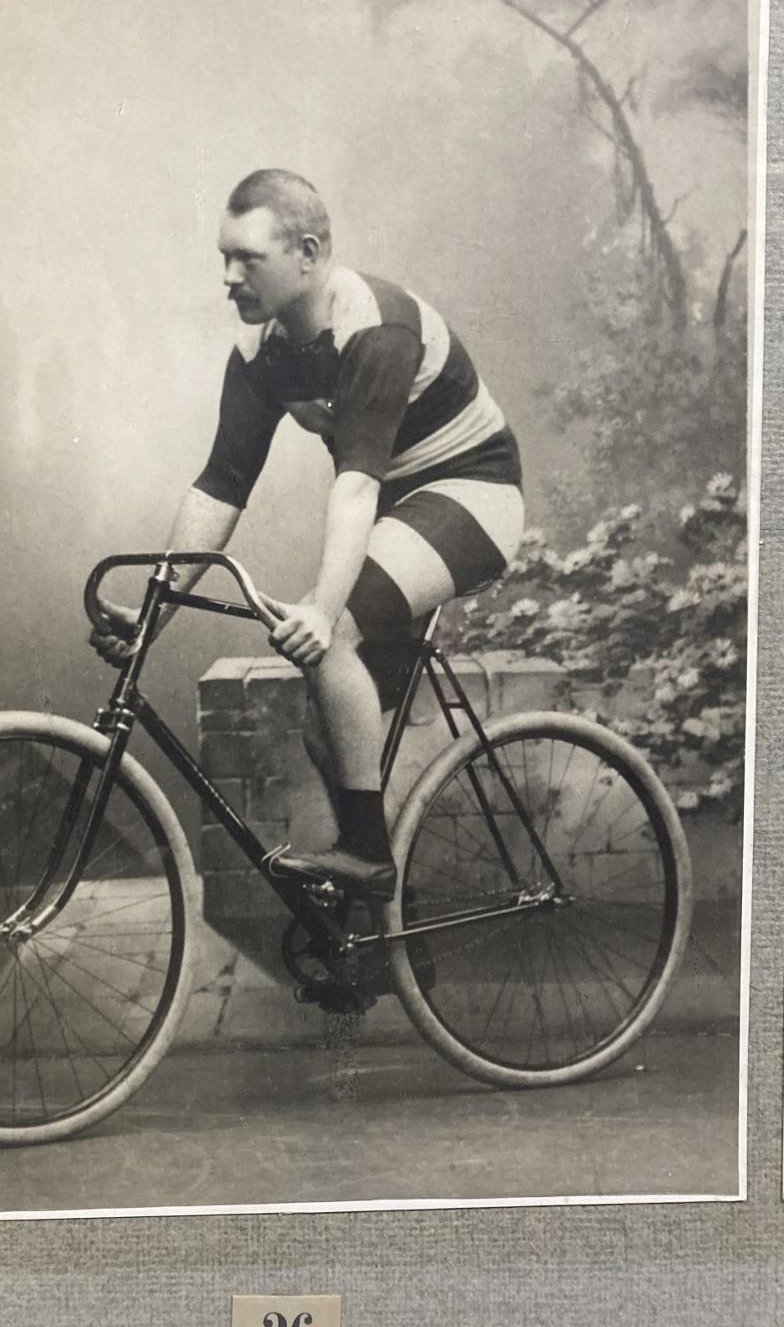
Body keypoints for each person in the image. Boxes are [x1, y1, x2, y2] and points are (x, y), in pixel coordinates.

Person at [92, 169, 524, 902]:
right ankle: (376, 916)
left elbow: (355, 485)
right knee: (329, 730)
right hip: (395, 511)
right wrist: (154, 614)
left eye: (248, 259)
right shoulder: (263, 349)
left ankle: (368, 860)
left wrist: (325, 612)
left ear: (309, 254)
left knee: (333, 637)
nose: (229, 277)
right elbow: (222, 483)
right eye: (224, 257)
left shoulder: (376, 327)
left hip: (470, 495)